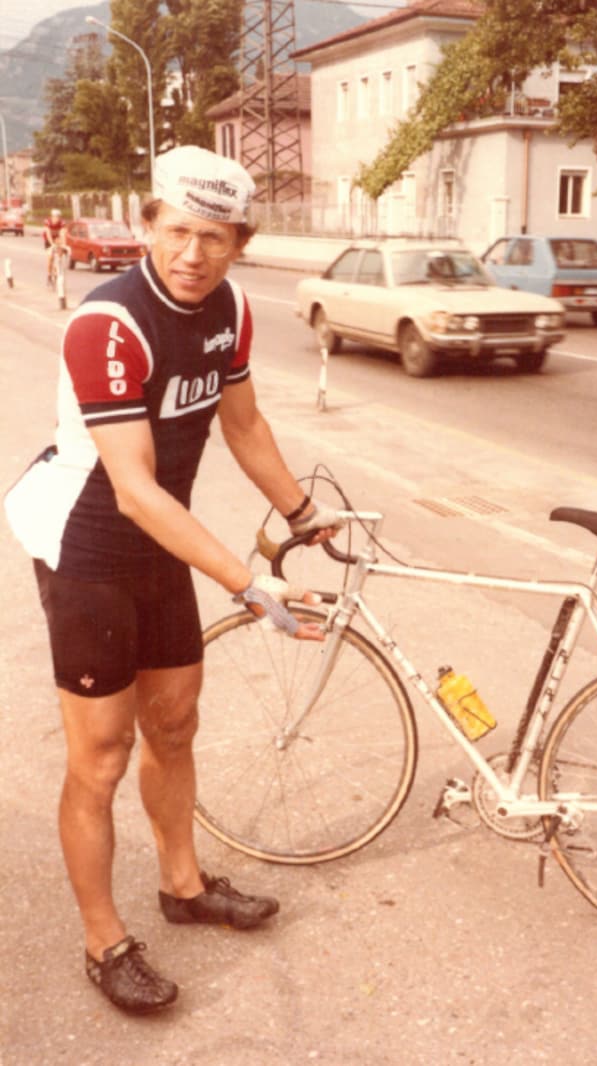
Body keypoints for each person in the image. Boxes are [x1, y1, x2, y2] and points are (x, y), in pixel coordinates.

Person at [4, 145, 340, 1015]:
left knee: (177, 725)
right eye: (179, 231)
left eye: (216, 238)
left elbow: (245, 422)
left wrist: (304, 514)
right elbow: (134, 488)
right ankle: (104, 940)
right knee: (102, 754)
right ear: (149, 223)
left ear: (239, 244)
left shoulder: (228, 309)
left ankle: (183, 887)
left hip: (164, 547)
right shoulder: (108, 324)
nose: (194, 254)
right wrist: (246, 583)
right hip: (89, 549)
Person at [43, 207, 66, 285]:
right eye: (55, 217)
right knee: (50, 257)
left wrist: (63, 244)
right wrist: (52, 244)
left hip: (57, 239)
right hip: (48, 241)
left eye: (58, 217)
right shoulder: (48, 222)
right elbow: (48, 234)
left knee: (59, 255)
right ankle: (49, 275)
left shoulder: (62, 223)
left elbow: (63, 234)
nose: (57, 219)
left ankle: (57, 269)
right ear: (52, 217)